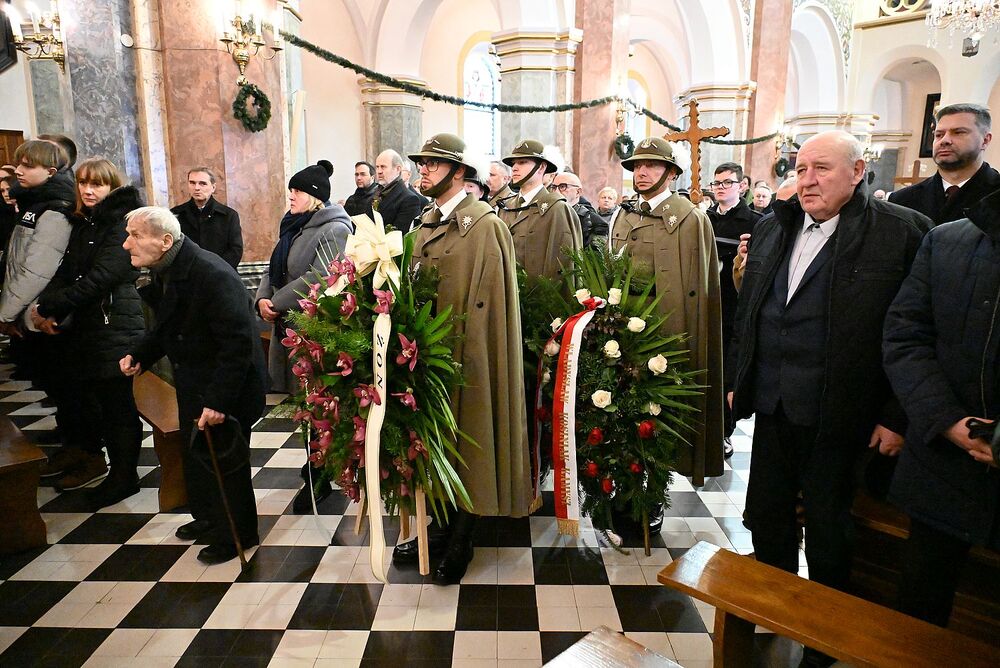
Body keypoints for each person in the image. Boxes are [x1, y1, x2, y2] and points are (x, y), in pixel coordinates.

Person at [726, 131, 929, 664]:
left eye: (822, 168)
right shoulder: (775, 225)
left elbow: (918, 330)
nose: (807, 179)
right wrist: (739, 378)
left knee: (829, 528)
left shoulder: (901, 232)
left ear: (858, 171)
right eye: (800, 168)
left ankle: (825, 634)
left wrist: (896, 414)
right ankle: (777, 607)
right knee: (766, 517)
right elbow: (752, 311)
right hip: (774, 403)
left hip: (843, 411)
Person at [404, 133, 531, 584]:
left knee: (468, 443)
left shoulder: (483, 224)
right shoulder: (424, 224)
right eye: (421, 163)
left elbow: (493, 305)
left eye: (434, 164)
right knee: (435, 444)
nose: (424, 170)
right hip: (426, 360)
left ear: (459, 173)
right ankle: (437, 527)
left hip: (468, 359)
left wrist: (475, 358)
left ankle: (462, 535)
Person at [120, 206, 265, 565]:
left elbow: (237, 343)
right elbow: (169, 324)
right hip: (195, 379)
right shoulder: (169, 268)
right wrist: (141, 354)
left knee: (225, 461)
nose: (126, 244)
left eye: (136, 235)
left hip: (225, 386)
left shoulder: (211, 273)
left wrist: (218, 401)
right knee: (198, 455)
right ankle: (210, 519)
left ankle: (237, 534)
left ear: (164, 240)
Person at [883, 188, 1000, 627]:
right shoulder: (948, 240)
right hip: (943, 465)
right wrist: (948, 420)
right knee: (919, 613)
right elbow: (905, 336)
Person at [609, 136, 724, 487]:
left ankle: (655, 492)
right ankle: (627, 486)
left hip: (667, 333)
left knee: (662, 418)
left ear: (671, 173)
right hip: (622, 331)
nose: (641, 172)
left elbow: (699, 289)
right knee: (622, 413)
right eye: (637, 166)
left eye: (652, 165)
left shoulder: (690, 219)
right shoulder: (624, 214)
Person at [33, 159, 145, 508]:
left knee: (117, 406)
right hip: (90, 326)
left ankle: (124, 476)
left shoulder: (121, 223)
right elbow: (68, 270)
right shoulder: (86, 222)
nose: (87, 190)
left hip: (114, 323)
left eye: (96, 184)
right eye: (82, 182)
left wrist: (52, 307)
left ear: (112, 187)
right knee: (98, 403)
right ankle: (102, 464)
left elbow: (102, 277)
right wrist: (46, 305)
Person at [1, 141, 76, 454]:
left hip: (45, 312)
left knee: (65, 387)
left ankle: (80, 451)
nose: (18, 170)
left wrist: (5, 314)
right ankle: (71, 445)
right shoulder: (35, 202)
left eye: (28, 165)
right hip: (31, 309)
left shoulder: (55, 208)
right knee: (55, 386)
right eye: (19, 163)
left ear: (51, 171)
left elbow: (36, 268)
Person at [256, 161, 351, 393]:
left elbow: (321, 276)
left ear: (314, 196)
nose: (291, 196)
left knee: (308, 399)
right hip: (284, 322)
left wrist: (275, 302)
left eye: (297, 191)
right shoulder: (293, 225)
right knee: (288, 403)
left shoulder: (335, 229)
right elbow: (273, 266)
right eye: (291, 191)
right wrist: (261, 300)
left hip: (309, 327)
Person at [708, 162, 761, 457]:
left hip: (734, 306)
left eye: (727, 182)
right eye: (716, 183)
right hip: (705, 301)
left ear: (742, 186)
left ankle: (724, 432)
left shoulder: (755, 220)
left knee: (727, 370)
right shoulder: (703, 218)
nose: (720, 187)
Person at [889, 103, 1000, 225]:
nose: (945, 140)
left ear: (985, 140)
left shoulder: (995, 192)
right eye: (939, 135)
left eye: (958, 132)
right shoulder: (902, 199)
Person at [497, 139, 582, 283]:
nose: (515, 168)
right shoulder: (506, 206)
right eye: (513, 164)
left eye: (523, 162)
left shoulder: (556, 208)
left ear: (541, 167)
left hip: (540, 297)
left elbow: (564, 264)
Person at [733, 175, 797, 292]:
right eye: (779, 205)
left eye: (789, 205)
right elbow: (745, 287)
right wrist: (743, 260)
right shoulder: (765, 226)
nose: (782, 212)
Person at [170, 167, 243, 268]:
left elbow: (235, 250)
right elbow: (171, 248)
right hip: (186, 276)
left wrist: (216, 270)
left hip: (220, 276)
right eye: (192, 183)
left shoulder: (229, 215)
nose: (196, 188)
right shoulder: (175, 214)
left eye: (202, 183)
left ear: (213, 187)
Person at [373, 150, 427, 234]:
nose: (379, 171)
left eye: (383, 167)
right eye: (377, 167)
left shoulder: (409, 199)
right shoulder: (374, 193)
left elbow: (402, 236)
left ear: (398, 169)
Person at [551, 171, 606, 248]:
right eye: (553, 187)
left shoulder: (594, 222)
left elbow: (594, 257)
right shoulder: (547, 215)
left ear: (578, 192)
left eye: (563, 187)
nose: (556, 192)